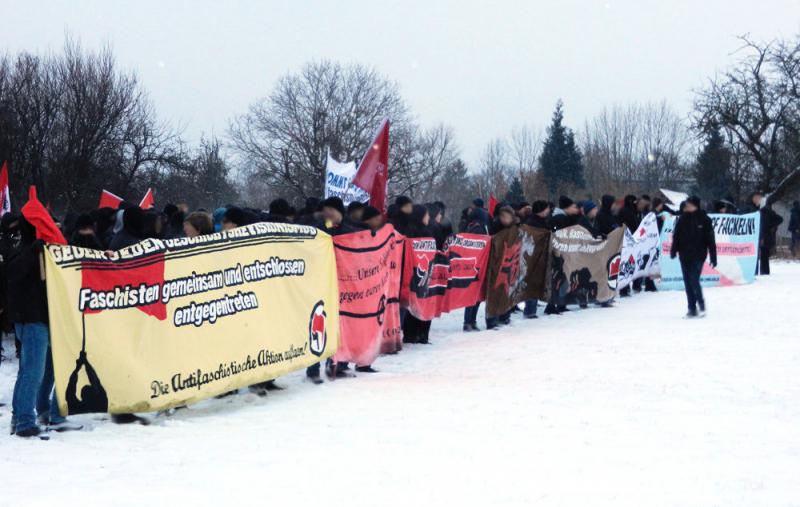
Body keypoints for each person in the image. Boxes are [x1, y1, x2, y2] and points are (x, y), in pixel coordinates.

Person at [8, 217, 82, 436]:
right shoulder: (21, 251)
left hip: (48, 319)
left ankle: (43, 411)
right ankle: (23, 421)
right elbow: (13, 275)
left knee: (51, 369)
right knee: (32, 372)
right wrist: (33, 251)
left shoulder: (46, 252)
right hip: (32, 321)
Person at [670, 196, 716, 318]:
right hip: (684, 255)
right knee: (687, 282)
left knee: (694, 280)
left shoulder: (705, 219)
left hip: (699, 255)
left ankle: (701, 305)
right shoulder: (682, 219)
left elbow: (711, 240)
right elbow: (676, 236)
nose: (687, 207)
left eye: (689, 204)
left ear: (696, 205)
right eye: (686, 205)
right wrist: (673, 250)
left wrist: (713, 257)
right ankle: (691, 308)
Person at [402, 205, 436, 342]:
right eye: (426, 215)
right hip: (415, 273)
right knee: (414, 303)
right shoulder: (410, 231)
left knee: (424, 302)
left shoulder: (428, 230)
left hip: (426, 273)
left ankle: (421, 334)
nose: (428, 217)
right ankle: (412, 334)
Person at [486, 206, 516, 329]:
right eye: (504, 217)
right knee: (494, 291)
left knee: (506, 290)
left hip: (509, 262)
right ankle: (492, 319)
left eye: (508, 217)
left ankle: (504, 315)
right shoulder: (494, 227)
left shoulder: (514, 227)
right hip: (496, 263)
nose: (506, 219)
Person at [748, 191, 783, 275]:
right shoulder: (750, 209)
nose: (756, 199)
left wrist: (770, 227)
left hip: (764, 236)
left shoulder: (767, 210)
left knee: (764, 256)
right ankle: (753, 272)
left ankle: (765, 273)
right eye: (754, 198)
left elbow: (779, 219)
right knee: (753, 255)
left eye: (758, 198)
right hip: (753, 236)